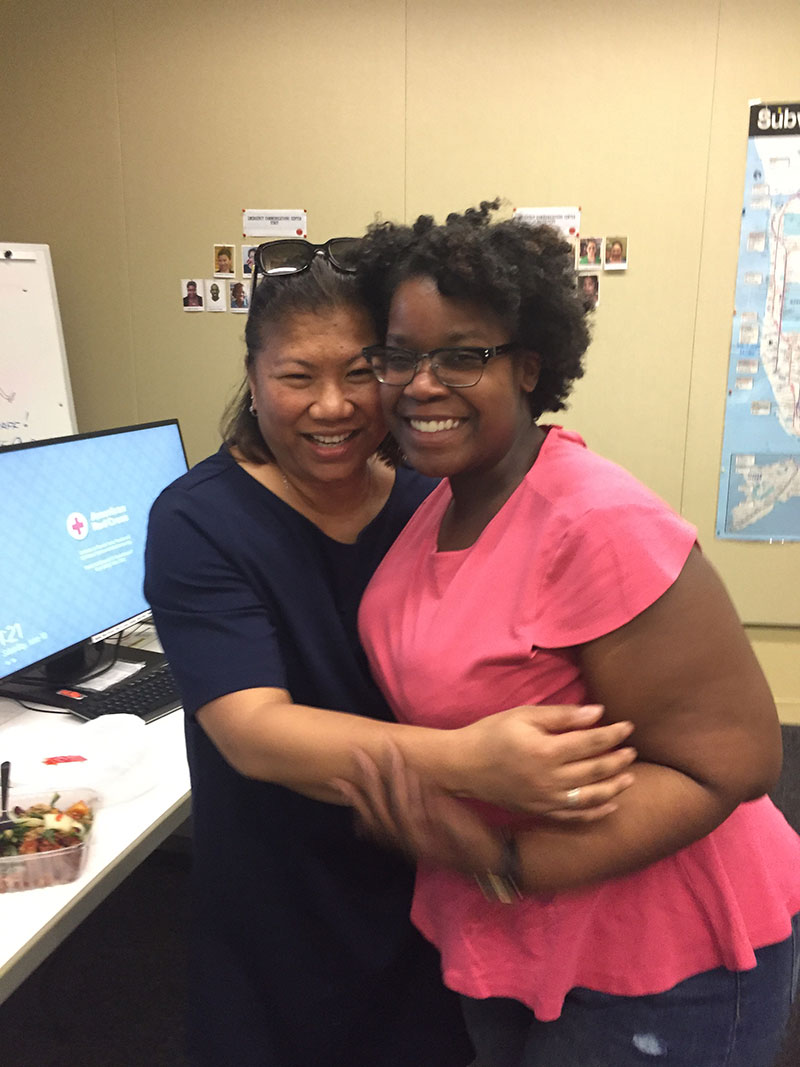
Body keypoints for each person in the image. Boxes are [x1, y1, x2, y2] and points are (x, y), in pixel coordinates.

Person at [144, 251, 637, 1067]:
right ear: (253, 375)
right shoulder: (201, 521)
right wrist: (476, 761)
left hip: (436, 874)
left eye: (363, 371)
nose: (332, 406)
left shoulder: (430, 496)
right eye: (298, 376)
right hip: (282, 890)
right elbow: (256, 733)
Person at [342, 201, 800, 1067]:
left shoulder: (595, 523)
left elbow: (737, 760)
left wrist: (505, 855)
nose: (421, 383)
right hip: (512, 921)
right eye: (400, 356)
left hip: (662, 950)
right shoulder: (441, 504)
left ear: (528, 367)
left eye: (462, 355)